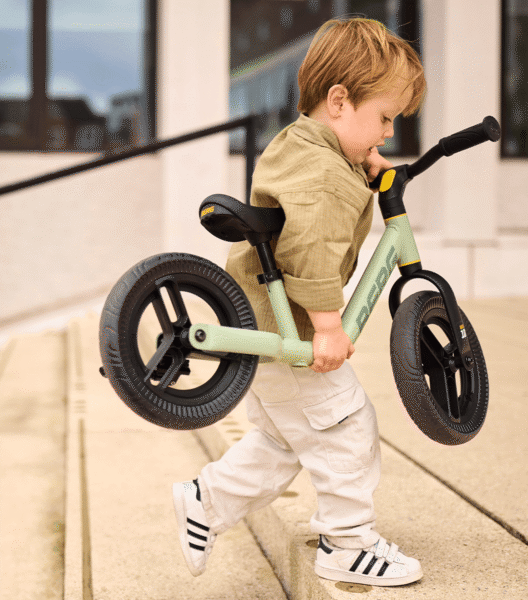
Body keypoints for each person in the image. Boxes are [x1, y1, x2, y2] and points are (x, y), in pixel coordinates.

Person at [172, 17, 426, 587]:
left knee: (283, 442)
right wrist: (330, 328)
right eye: (383, 118)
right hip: (292, 330)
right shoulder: (325, 177)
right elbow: (312, 247)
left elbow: (326, 181)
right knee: (346, 426)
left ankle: (205, 500)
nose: (386, 133)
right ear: (340, 101)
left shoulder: (305, 145)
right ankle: (349, 542)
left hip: (260, 316)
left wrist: (363, 167)